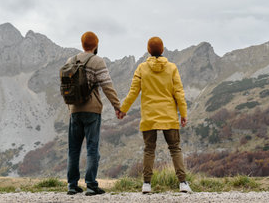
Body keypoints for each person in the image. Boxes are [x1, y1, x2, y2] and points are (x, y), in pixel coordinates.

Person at [117, 36, 192, 193]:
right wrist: (183, 113)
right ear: (163, 50)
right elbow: (179, 92)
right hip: (169, 115)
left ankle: (146, 184)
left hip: (149, 117)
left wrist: (123, 109)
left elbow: (133, 92)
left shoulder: (142, 68)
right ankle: (183, 183)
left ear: (148, 51)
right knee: (175, 149)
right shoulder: (172, 68)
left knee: (149, 149)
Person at [65, 31, 121, 196]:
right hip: (92, 111)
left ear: (82, 44)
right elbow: (107, 86)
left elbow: (65, 87)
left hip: (74, 110)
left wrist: (70, 108)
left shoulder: (71, 60)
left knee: (73, 149)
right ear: (96, 45)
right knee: (92, 148)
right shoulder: (97, 61)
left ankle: (72, 185)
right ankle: (91, 185)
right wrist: (117, 107)